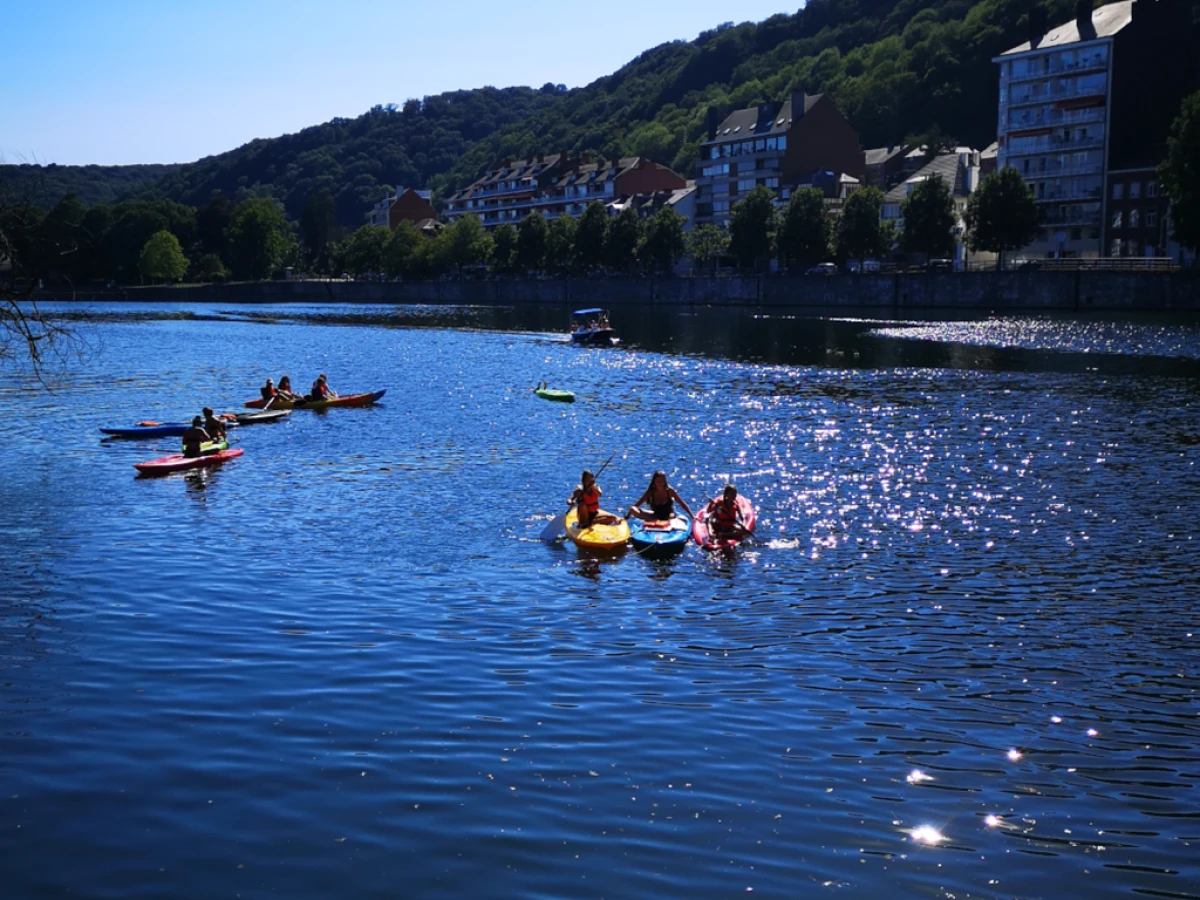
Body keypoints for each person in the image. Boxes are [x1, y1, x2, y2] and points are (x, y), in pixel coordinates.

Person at [627, 470, 694, 522]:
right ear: (654, 482)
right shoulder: (651, 491)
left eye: (662, 481)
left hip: (668, 516)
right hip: (655, 516)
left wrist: (692, 516)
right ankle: (653, 521)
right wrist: (627, 516)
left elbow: (682, 503)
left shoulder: (669, 491)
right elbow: (637, 504)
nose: (661, 483)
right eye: (658, 481)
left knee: (671, 516)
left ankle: (659, 522)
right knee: (632, 509)